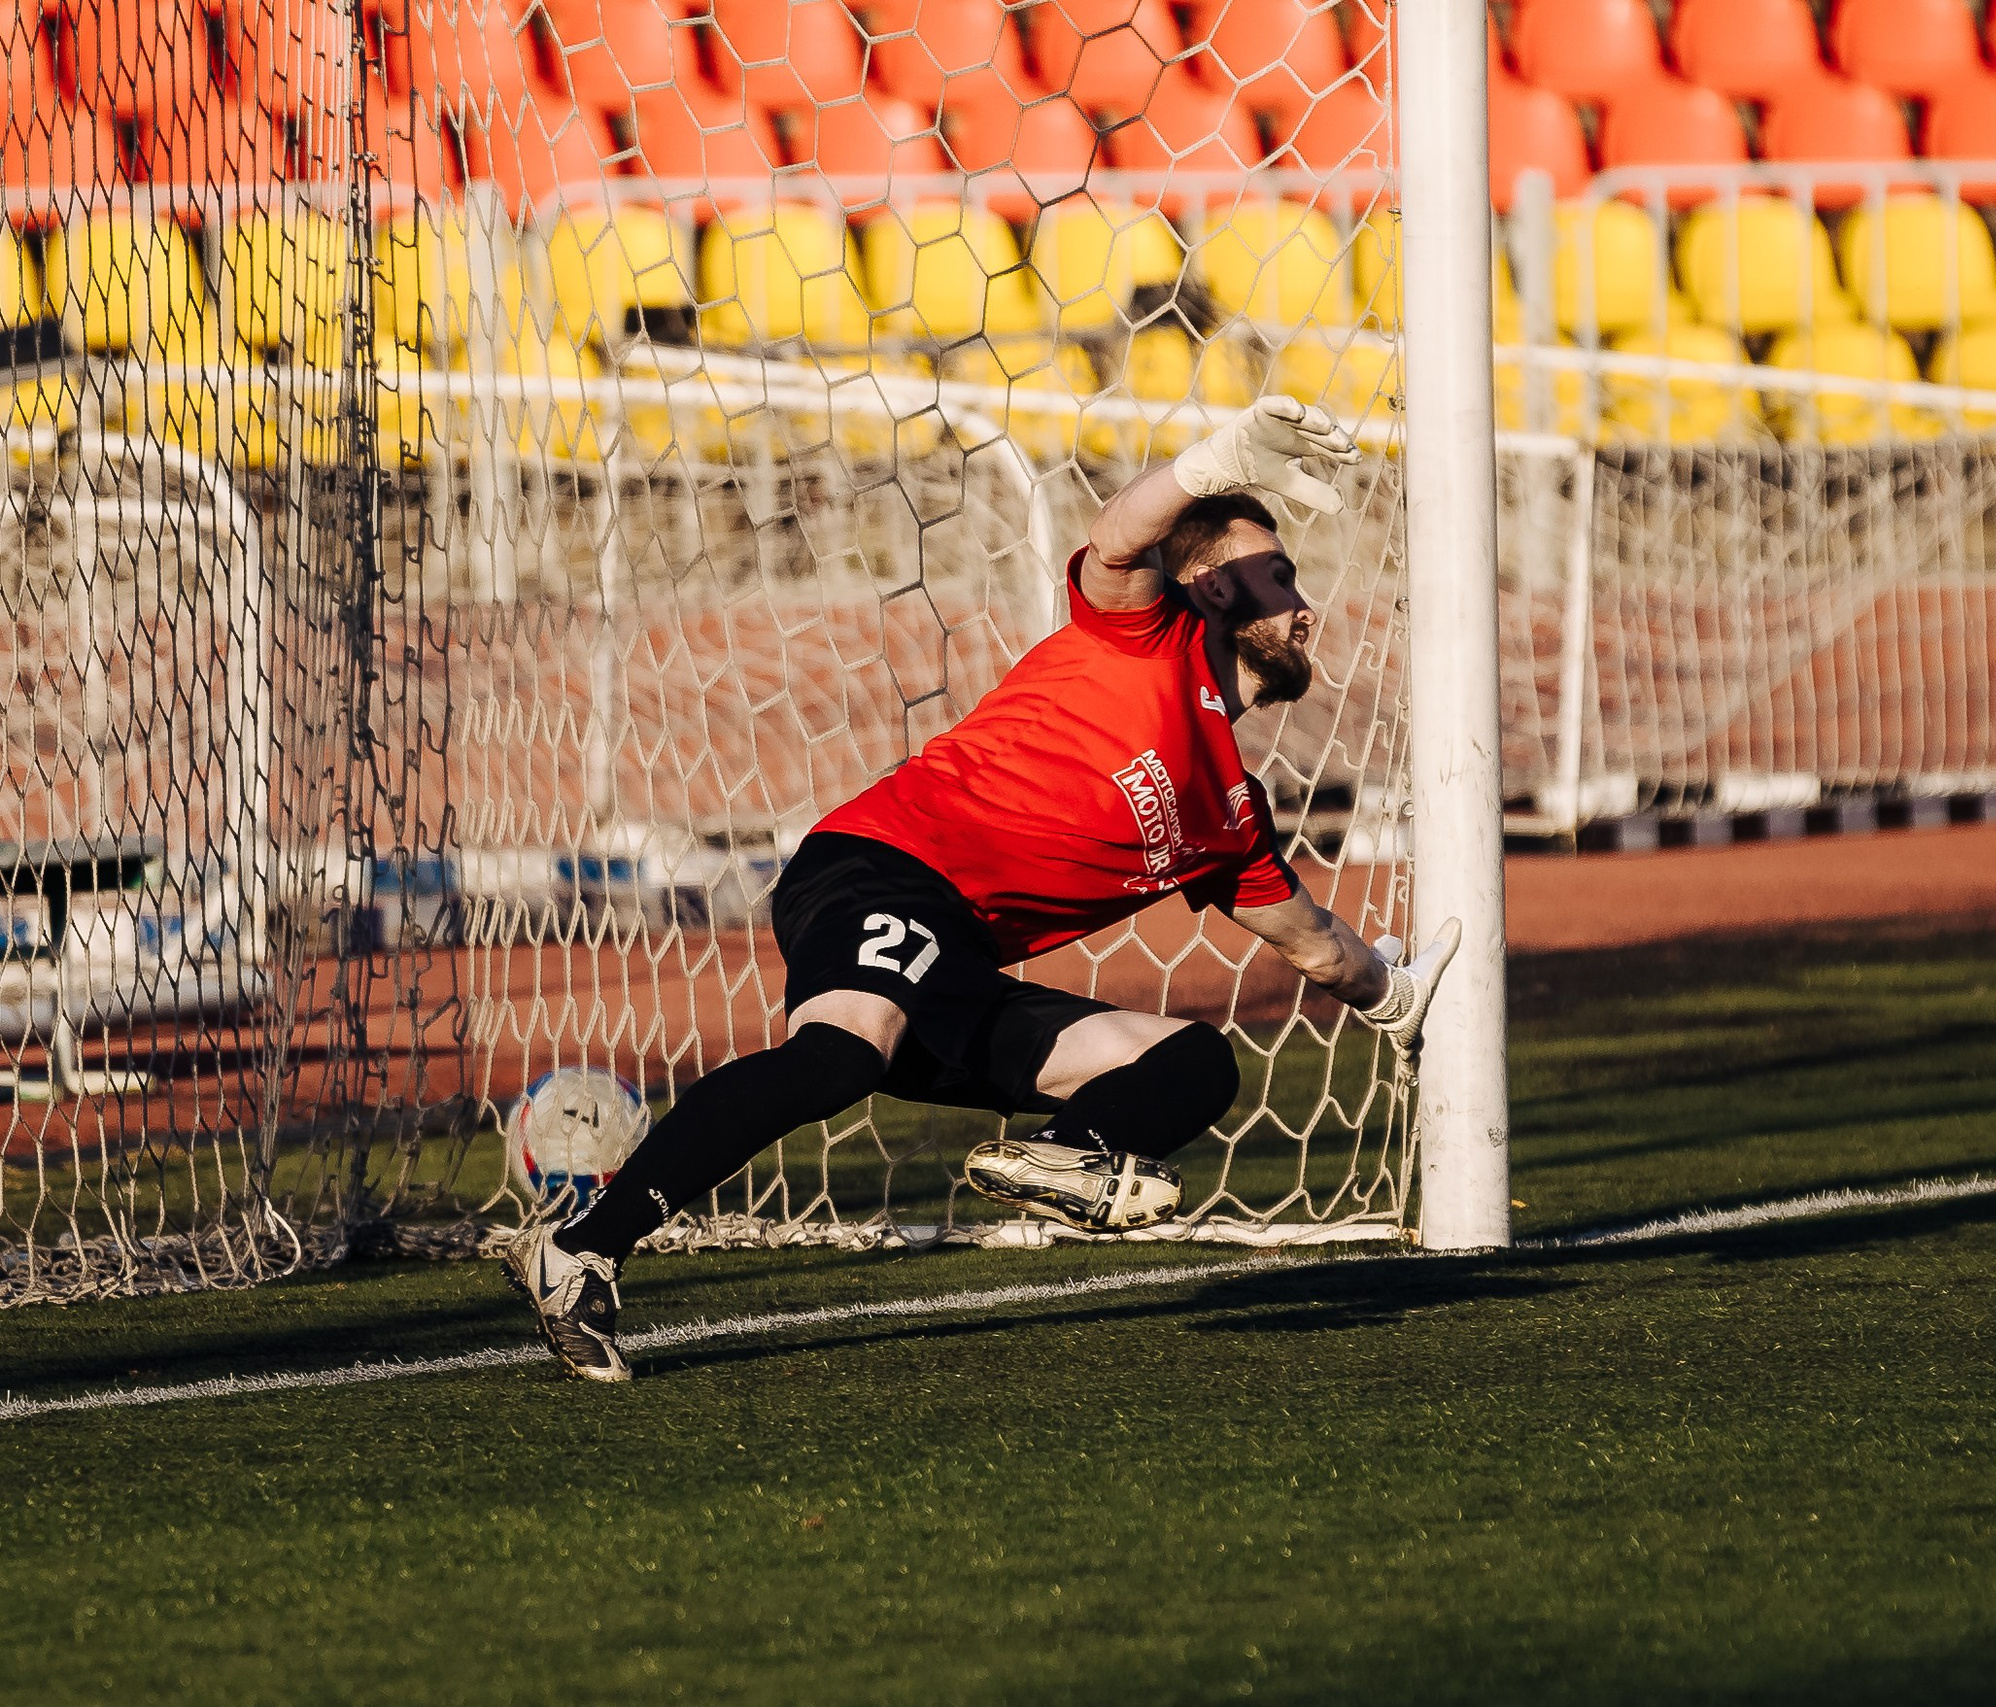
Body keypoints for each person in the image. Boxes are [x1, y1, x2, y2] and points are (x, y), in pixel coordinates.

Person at [506, 396, 1460, 1381]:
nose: (1302, 604)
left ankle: (1063, 1152)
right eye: (1274, 578)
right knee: (839, 1056)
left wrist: (1393, 994)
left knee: (1192, 1065)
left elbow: (1311, 943)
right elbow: (1118, 539)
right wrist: (1208, 463)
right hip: (881, 867)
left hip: (950, 962)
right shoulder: (1142, 635)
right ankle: (581, 1248)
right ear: (1209, 592)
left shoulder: (1232, 815)